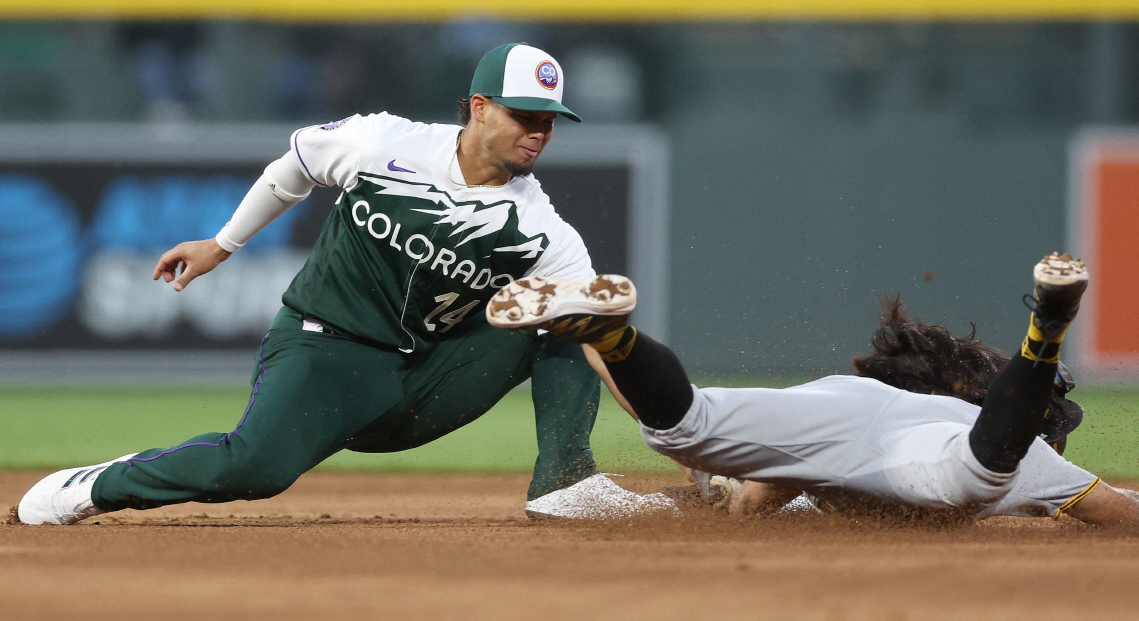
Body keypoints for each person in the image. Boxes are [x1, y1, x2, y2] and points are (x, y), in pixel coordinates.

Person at [15, 42, 661, 525]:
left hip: (424, 380)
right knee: (254, 468)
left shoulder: (543, 229)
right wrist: (222, 243)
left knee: (571, 315)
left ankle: (565, 483)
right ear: (479, 107)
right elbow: (296, 164)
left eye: (550, 119)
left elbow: (607, 345)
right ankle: (96, 485)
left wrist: (686, 437)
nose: (540, 131)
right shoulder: (385, 144)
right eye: (526, 115)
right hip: (326, 353)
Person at [485, 254, 1139, 525]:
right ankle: (1047, 329)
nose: (1060, 428)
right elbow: (1130, 517)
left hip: (841, 409)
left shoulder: (860, 396)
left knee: (687, 423)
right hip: (935, 448)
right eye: (1053, 416)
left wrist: (728, 479)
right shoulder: (1026, 457)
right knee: (983, 470)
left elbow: (766, 483)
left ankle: (612, 336)